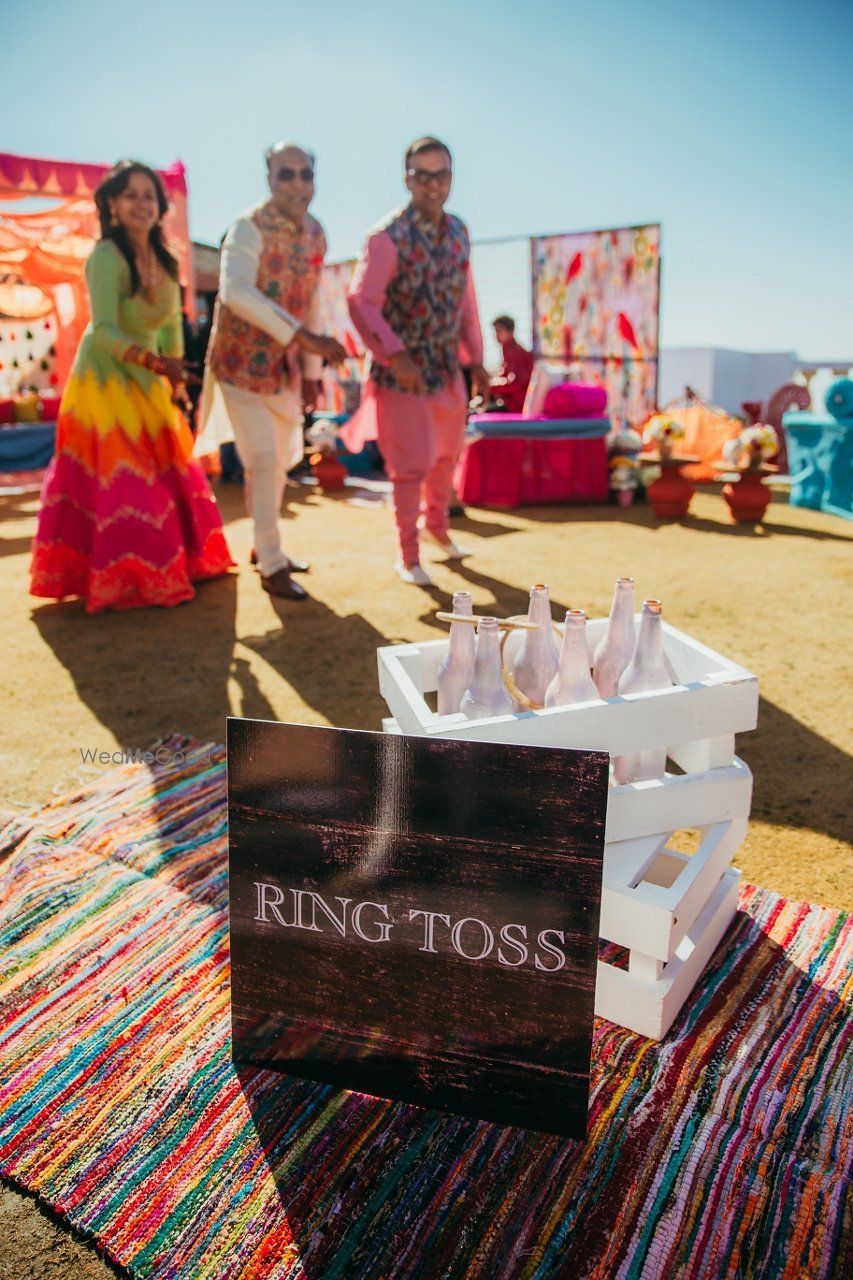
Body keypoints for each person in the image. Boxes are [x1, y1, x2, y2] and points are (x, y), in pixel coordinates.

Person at [30, 160, 234, 614]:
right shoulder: (105, 256)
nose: (141, 204)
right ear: (112, 204)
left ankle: (180, 563)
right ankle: (131, 576)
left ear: (159, 205)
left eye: (149, 195)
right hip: (103, 379)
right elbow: (102, 328)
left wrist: (175, 378)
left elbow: (169, 327)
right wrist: (155, 362)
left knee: (167, 466)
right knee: (125, 478)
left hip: (149, 378)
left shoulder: (166, 256)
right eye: (131, 195)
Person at [196, 141, 345, 601]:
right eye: (287, 174)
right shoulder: (247, 227)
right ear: (269, 178)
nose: (297, 183)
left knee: (280, 460)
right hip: (239, 363)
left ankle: (265, 547)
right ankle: (273, 562)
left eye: (305, 174)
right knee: (261, 459)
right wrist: (304, 339)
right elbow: (235, 291)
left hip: (284, 370)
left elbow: (314, 300)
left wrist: (313, 371)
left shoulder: (317, 233)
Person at [345, 136, 489, 586]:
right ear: (407, 178)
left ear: (451, 178)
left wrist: (477, 359)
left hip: (447, 370)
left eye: (440, 174)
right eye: (421, 175)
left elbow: (466, 300)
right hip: (401, 375)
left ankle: (439, 531)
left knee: (446, 458)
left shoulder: (459, 231)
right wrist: (394, 352)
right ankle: (408, 555)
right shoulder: (386, 237)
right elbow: (361, 302)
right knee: (410, 466)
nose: (432, 184)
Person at [490, 315, 534, 414]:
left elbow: (516, 384)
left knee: (474, 413)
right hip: (511, 404)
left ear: (510, 331)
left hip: (516, 407)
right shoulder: (508, 351)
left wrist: (490, 388)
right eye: (496, 331)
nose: (496, 335)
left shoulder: (515, 352)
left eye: (499, 330)